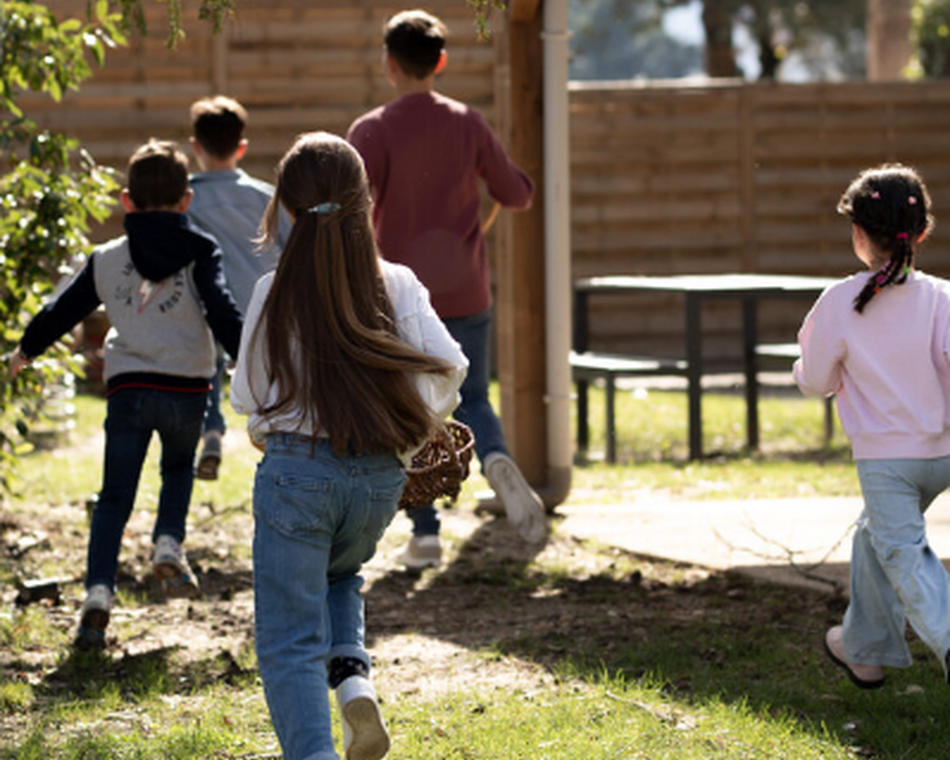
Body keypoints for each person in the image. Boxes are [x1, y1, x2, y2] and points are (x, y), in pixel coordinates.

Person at [231, 131, 467, 760]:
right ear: (367, 202)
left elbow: (248, 396)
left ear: (285, 206)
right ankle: (354, 678)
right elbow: (450, 368)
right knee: (340, 572)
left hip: (297, 478)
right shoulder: (401, 285)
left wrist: (275, 435)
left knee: (288, 639)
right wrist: (411, 432)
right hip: (376, 484)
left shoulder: (271, 292)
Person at [8, 139, 243, 650]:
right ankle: (167, 544)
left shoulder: (106, 258)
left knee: (114, 496)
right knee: (178, 470)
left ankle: (97, 596)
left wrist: (25, 350)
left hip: (129, 390)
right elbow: (222, 310)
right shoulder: (201, 250)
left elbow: (63, 310)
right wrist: (251, 360)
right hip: (187, 389)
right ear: (186, 201)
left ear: (125, 201)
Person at [347, 8, 546, 569]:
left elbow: (351, 205)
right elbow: (518, 194)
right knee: (475, 398)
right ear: (441, 62)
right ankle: (498, 457)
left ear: (390, 64)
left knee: (407, 411)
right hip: (466, 292)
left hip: (399, 300)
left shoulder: (373, 129)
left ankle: (426, 531)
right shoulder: (468, 122)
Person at [793, 163, 950, 689]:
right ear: (921, 233)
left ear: (858, 234)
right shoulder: (942, 299)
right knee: (874, 538)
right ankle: (863, 648)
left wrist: (809, 369)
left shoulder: (839, 302)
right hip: (943, 453)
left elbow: (814, 380)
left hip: (887, 464)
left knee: (906, 556)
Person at [186, 95, 290, 481]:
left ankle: (211, 429)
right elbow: (292, 248)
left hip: (207, 304)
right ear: (241, 147)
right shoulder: (265, 197)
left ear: (195, 147)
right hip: (262, 306)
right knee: (272, 381)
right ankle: (278, 439)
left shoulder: (187, 198)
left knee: (207, 367)